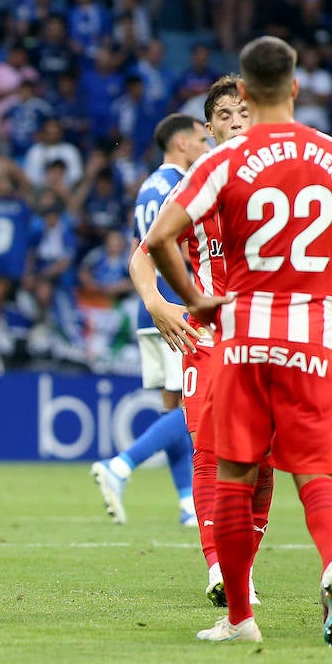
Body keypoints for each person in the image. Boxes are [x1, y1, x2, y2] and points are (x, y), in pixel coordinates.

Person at [147, 35, 332, 645]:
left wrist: (194, 298)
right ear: (296, 88)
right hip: (314, 340)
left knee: (235, 478)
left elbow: (162, 238)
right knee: (318, 473)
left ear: (244, 92)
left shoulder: (221, 163)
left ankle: (241, 619)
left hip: (242, 341)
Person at [128, 76, 275, 608]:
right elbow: (142, 254)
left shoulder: (282, 179)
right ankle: (220, 569)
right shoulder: (195, 186)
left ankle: (242, 570)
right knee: (211, 454)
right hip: (209, 339)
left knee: (263, 463)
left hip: (272, 338)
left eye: (244, 112)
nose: (237, 121)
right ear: (208, 129)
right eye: (225, 115)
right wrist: (157, 302)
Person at [90, 113, 211, 527]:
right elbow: (170, 246)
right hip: (175, 306)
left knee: (173, 408)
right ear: (181, 143)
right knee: (193, 408)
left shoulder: (148, 186)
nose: (206, 145)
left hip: (152, 306)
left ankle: (185, 503)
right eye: (200, 138)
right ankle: (119, 466)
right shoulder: (180, 187)